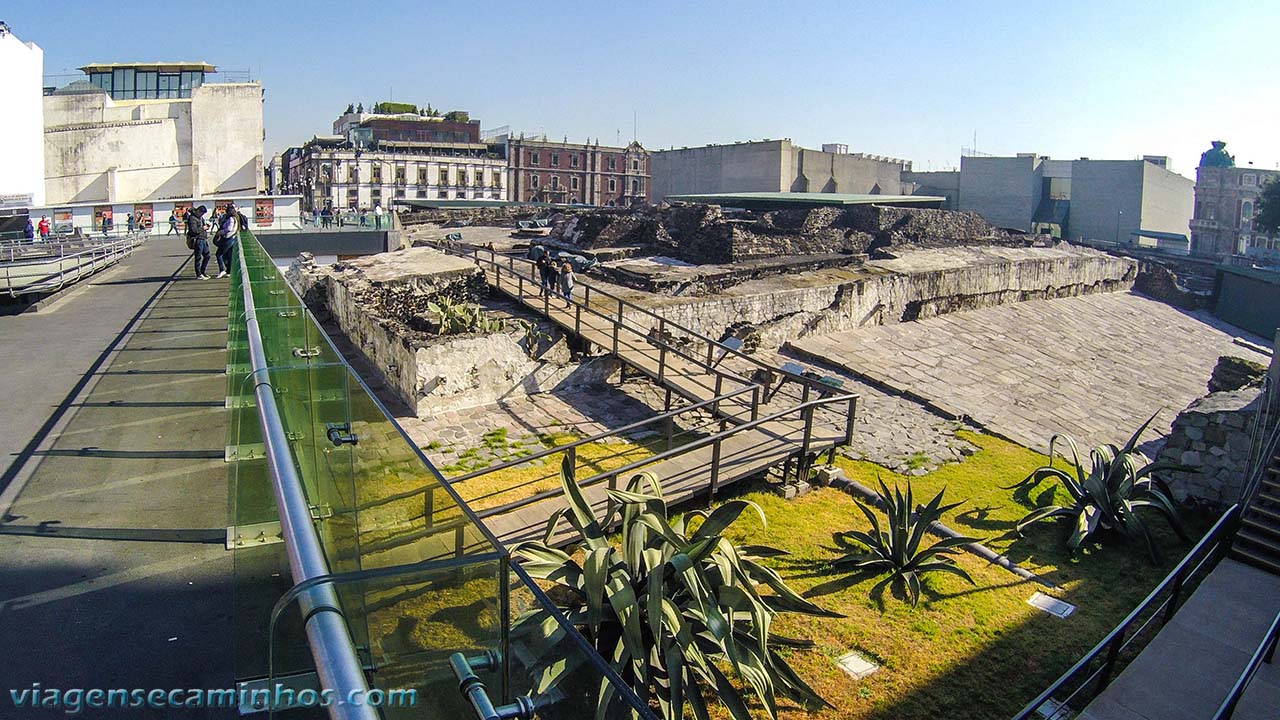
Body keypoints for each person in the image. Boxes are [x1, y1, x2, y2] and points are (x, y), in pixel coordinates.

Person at [213, 202, 240, 278]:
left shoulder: (231, 219)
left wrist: (221, 232)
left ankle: (222, 270)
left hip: (228, 238)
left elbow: (229, 229)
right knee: (229, 255)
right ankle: (229, 271)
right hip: (232, 238)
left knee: (219, 254)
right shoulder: (235, 218)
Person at [186, 205, 211, 279]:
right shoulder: (192, 218)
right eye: (202, 213)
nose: (202, 215)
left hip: (203, 238)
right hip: (197, 239)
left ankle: (203, 271)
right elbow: (194, 230)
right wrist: (203, 228)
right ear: (198, 211)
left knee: (207, 255)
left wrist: (205, 227)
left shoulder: (200, 218)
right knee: (198, 257)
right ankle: (198, 274)